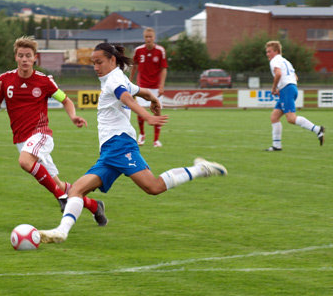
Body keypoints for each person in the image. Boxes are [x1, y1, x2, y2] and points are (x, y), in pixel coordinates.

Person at [39, 43, 227, 244]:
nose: (95, 67)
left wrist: (147, 116)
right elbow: (139, 91)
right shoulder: (117, 78)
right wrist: (152, 98)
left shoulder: (114, 80)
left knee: (153, 187)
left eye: (99, 62)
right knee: (76, 190)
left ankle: (201, 169)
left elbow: (127, 97)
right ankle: (61, 232)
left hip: (120, 145)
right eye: (93, 63)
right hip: (110, 151)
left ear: (112, 60)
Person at [0, 36, 107, 226]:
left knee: (25, 162)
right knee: (59, 184)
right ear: (16, 58)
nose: (25, 59)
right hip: (21, 140)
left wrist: (73, 116)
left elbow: (66, 100)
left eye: (28, 55)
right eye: (21, 55)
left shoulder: (44, 81)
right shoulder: (5, 80)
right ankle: (93, 205)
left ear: (35, 58)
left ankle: (61, 197)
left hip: (41, 134)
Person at [265, 40, 324, 151]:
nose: (267, 54)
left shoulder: (274, 60)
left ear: (276, 51)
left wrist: (274, 88)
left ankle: (317, 129)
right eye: (267, 52)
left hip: (287, 90)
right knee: (274, 117)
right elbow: (295, 77)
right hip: (290, 88)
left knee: (291, 119)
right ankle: (276, 146)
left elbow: (278, 73)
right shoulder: (286, 61)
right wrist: (282, 87)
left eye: (269, 51)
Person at [129, 27, 168, 147]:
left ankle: (156, 140)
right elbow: (134, 66)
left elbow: (163, 68)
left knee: (157, 111)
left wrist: (162, 85)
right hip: (142, 85)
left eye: (150, 37)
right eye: (146, 37)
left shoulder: (160, 51)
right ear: (144, 38)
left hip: (156, 87)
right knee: (140, 111)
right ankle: (142, 135)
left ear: (154, 38)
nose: (148, 39)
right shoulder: (139, 50)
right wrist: (130, 81)